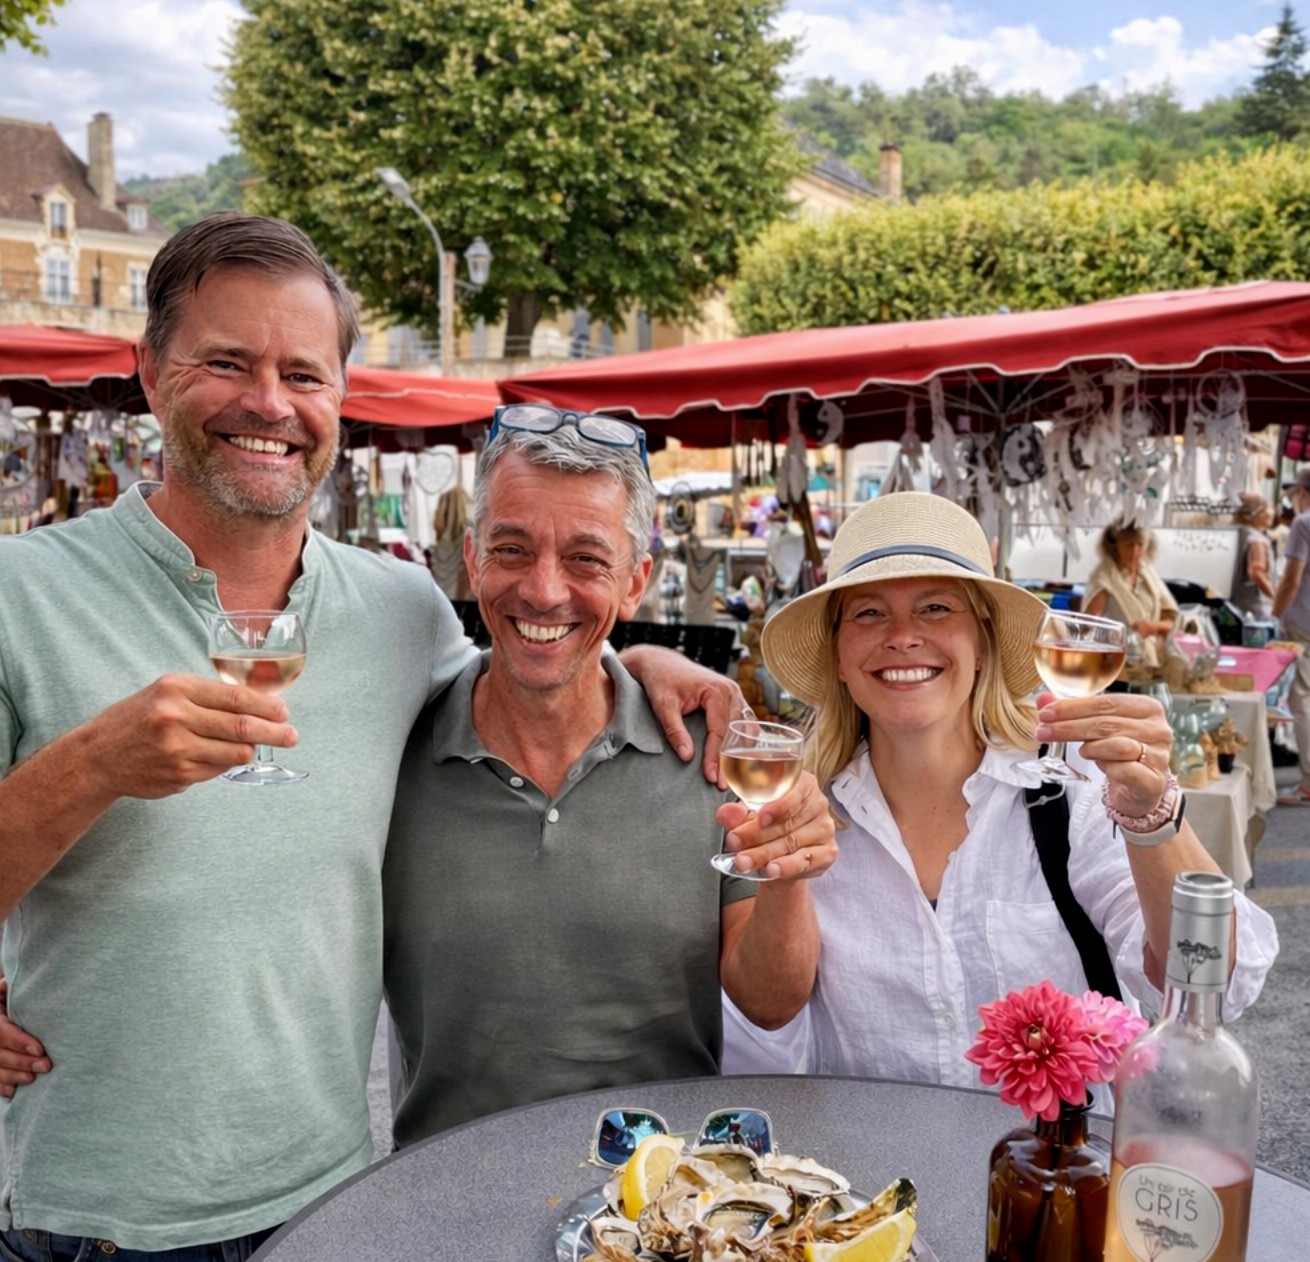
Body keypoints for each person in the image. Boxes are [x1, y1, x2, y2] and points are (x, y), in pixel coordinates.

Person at [0, 214, 746, 1260]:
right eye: (227, 362)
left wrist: (645, 662)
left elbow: (526, 674)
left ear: (339, 400)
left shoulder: (398, 610)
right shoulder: (21, 593)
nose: (270, 404)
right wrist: (93, 765)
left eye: (303, 375)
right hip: (96, 1217)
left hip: (330, 1201)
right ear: (151, 372)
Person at [721, 491, 1277, 1095]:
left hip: (1059, 1154)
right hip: (869, 1156)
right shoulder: (805, 811)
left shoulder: (1072, 789)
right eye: (869, 613)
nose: (902, 636)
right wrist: (785, 879)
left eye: (936, 608)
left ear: (983, 644)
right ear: (838, 657)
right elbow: (766, 1010)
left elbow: (1213, 983)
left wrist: (1156, 821)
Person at [382, 407, 836, 1142]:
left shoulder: (711, 751)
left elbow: (772, 1001)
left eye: (586, 559)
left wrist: (788, 874)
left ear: (635, 582)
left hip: (662, 1196)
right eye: (512, 549)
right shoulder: (395, 743)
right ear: (472, 559)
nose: (544, 590)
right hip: (443, 1190)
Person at [1082, 517, 1179, 666]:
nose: (1134, 552)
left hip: (1149, 663)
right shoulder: (1104, 579)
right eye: (1128, 545)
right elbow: (1087, 629)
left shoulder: (1148, 575)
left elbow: (1172, 622)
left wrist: (1152, 627)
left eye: (1140, 545)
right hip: (1114, 664)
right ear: (1116, 545)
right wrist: (1120, 637)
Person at [1273, 464, 1310, 806]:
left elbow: (1291, 579)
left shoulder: (1303, 522)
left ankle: (1309, 782)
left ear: (1302, 492)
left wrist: (1275, 613)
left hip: (1303, 621)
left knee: (1302, 700)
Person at [1232, 490, 1277, 622]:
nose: (1272, 512)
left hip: (1236, 605)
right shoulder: (1257, 539)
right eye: (1268, 507)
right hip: (1256, 608)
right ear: (1259, 513)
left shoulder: (1237, 534)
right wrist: (1275, 597)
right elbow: (1256, 571)